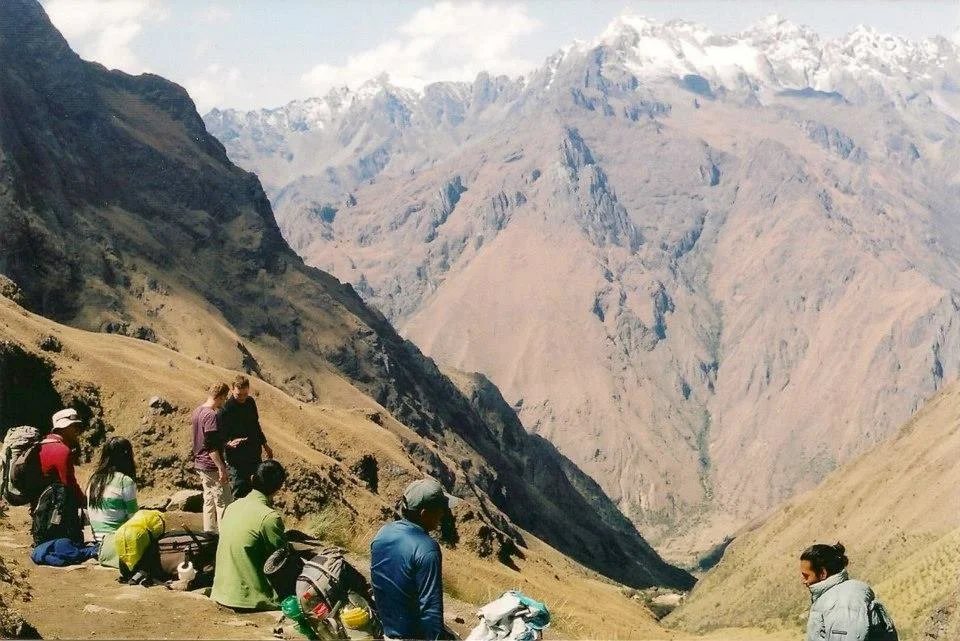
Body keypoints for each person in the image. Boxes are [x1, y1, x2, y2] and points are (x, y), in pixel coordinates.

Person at [370, 477, 458, 640]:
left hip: (387, 631)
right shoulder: (427, 548)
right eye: (440, 508)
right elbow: (430, 608)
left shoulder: (382, 533)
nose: (443, 513)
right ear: (424, 514)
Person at [211, 459, 288, 611]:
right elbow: (280, 561)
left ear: (252, 479)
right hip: (248, 600)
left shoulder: (232, 507)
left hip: (221, 592)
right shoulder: (270, 517)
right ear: (278, 488)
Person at [801, 542, 893, 641]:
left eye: (806, 576)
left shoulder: (842, 600)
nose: (803, 581)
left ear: (823, 573)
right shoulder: (838, 595)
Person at [219, 375, 272, 500]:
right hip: (236, 459)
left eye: (245, 394)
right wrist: (228, 443)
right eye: (239, 395)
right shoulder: (226, 409)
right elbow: (219, 436)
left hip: (253, 453)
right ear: (232, 390)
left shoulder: (250, 402)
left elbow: (255, 425)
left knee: (257, 489)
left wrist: (265, 444)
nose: (242, 398)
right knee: (239, 491)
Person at [193, 382, 231, 532]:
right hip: (211, 465)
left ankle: (208, 535)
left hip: (200, 464)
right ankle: (224, 538)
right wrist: (221, 467)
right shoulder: (211, 415)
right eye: (224, 398)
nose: (224, 401)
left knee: (208, 500)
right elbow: (211, 446)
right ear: (220, 397)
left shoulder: (197, 411)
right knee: (223, 502)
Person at [86, 437, 138, 543]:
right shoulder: (125, 481)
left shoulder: (94, 480)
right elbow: (134, 519)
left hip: (97, 540)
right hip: (117, 541)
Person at [39, 408, 86, 507]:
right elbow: (69, 485)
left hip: (40, 506)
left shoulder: (41, 445)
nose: (77, 430)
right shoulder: (63, 450)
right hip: (56, 510)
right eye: (74, 426)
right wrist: (84, 502)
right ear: (63, 428)